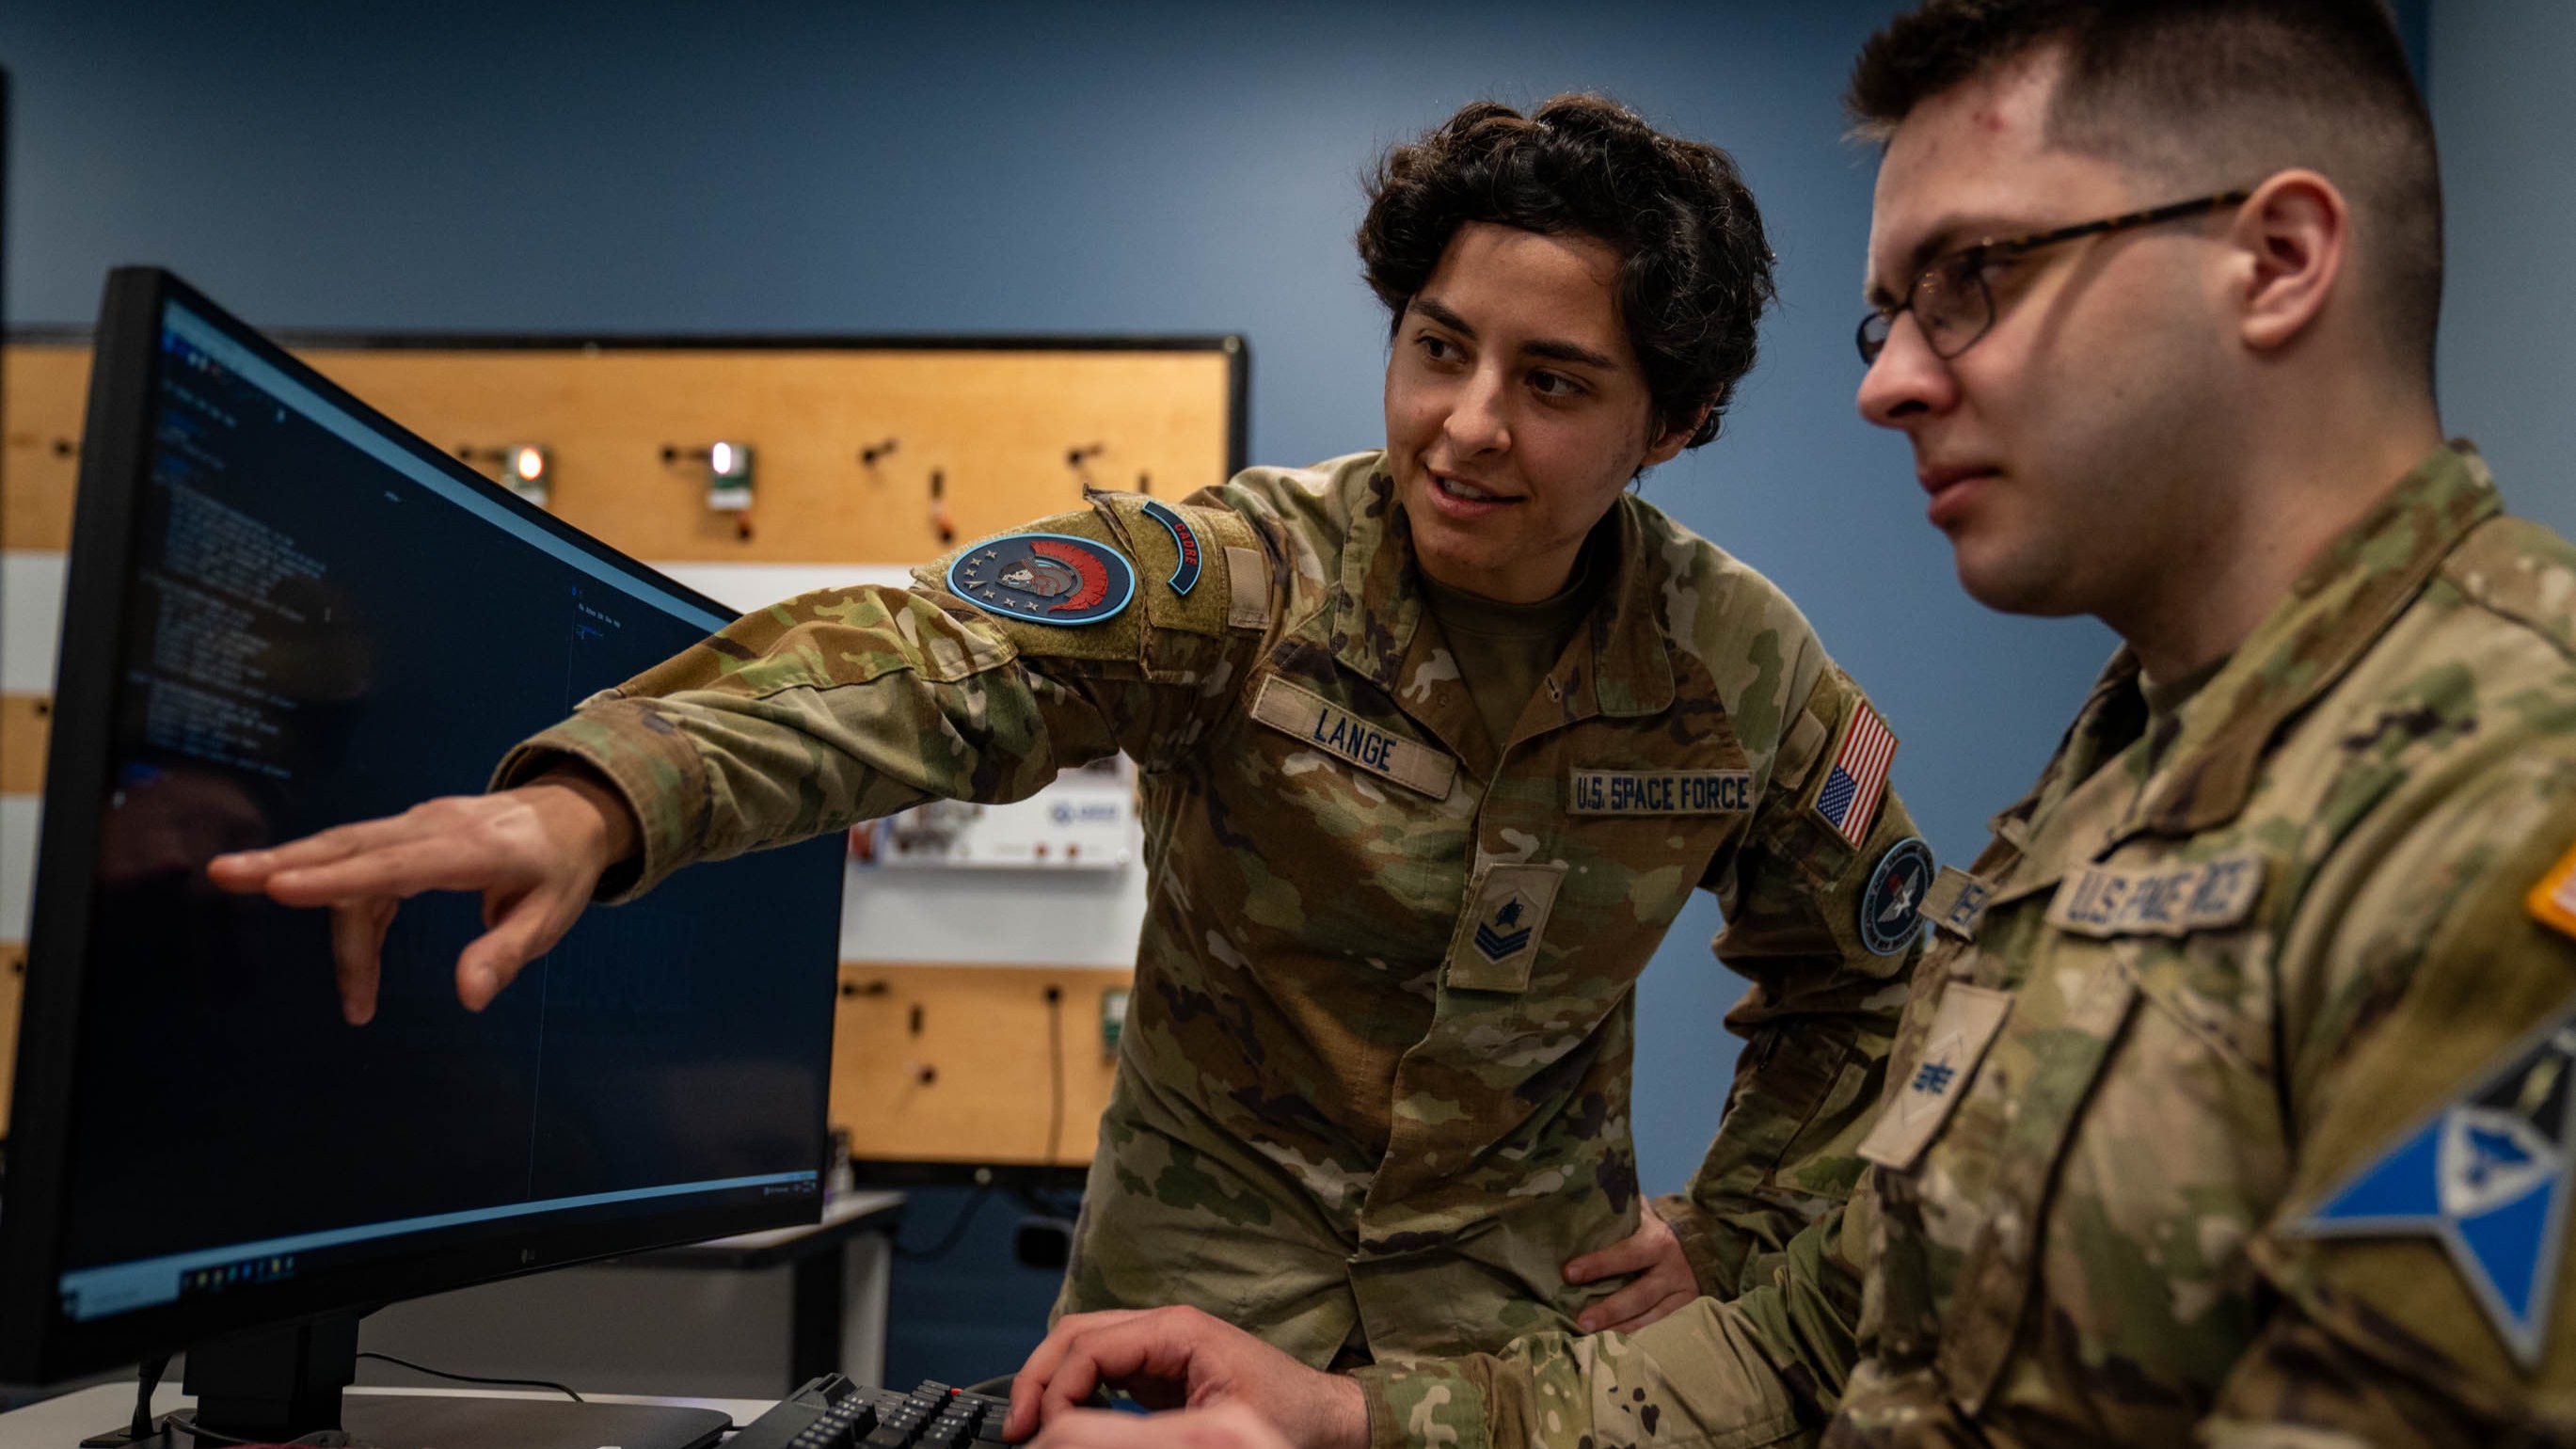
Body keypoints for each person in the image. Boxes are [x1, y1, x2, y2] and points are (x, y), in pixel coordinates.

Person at [998, 1, 2576, 1443]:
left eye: (1974, 281)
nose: (1885, 381)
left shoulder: (2507, 782)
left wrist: (1711, 1231)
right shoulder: (2126, 779)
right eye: (1884, 314)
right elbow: (1834, 1337)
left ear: (2279, 258)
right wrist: (1340, 1426)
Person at [211, 96, 1930, 1369]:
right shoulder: (1241, 580)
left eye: (1552, 384)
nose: (1465, 429)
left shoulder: (1736, 670)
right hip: (1180, 1316)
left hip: (1509, 1364)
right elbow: (935, 659)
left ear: (1675, 425)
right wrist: (604, 795)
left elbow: (1867, 980)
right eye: (1435, 350)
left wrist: (1743, 1223)